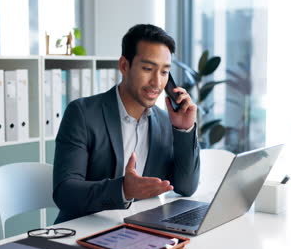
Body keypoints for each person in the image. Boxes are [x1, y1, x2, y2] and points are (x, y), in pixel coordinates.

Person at [52, 24, 200, 224]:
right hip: (84, 231)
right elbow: (65, 193)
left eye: (164, 72)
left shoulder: (166, 122)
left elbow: (186, 187)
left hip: (140, 230)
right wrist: (122, 190)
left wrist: (184, 129)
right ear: (124, 66)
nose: (157, 82)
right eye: (148, 69)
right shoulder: (82, 113)